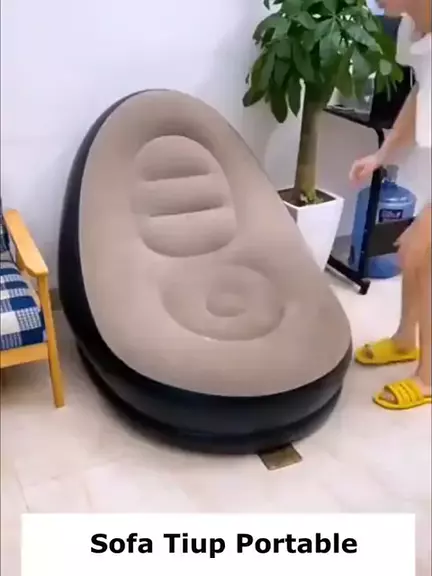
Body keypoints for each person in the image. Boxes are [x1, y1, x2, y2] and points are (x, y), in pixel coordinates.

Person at [350, 0, 431, 410]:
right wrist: (382, 154)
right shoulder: (411, 25)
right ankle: (404, 341)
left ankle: (429, 379)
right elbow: (422, 92)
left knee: (426, 254)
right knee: (417, 257)